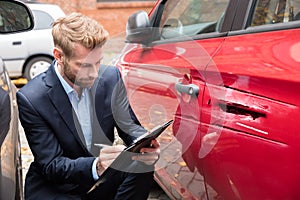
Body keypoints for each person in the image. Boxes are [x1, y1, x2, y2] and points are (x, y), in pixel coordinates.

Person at [17, 12, 160, 200]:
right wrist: (96, 165)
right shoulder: (31, 98)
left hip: (103, 178)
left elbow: (129, 126)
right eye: (84, 65)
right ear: (59, 56)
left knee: (143, 164)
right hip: (58, 186)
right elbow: (51, 165)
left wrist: (144, 143)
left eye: (98, 62)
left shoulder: (110, 77)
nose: (93, 73)